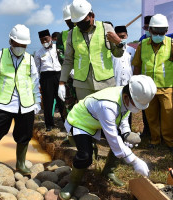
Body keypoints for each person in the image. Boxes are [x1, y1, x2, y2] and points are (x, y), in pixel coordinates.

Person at [58, 0, 125, 186]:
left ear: (91, 16)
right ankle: (88, 160)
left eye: (82, 21)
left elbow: (117, 54)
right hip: (82, 85)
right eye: (76, 22)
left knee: (113, 127)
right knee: (86, 125)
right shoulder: (72, 34)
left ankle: (109, 170)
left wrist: (118, 43)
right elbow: (68, 60)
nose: (79, 25)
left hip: (106, 84)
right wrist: (62, 82)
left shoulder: (106, 28)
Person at [58, 75, 157, 200]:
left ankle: (108, 171)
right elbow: (113, 139)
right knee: (85, 156)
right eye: (136, 105)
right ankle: (73, 183)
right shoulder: (108, 105)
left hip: (98, 121)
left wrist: (126, 132)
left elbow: (124, 115)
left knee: (123, 140)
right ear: (127, 97)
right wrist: (134, 161)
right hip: (81, 121)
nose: (137, 109)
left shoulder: (126, 94)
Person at [0, 24, 41, 175]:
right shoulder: (1, 55)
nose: (20, 47)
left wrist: (37, 101)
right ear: (11, 41)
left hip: (26, 104)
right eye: (17, 44)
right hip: (4, 104)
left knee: (24, 135)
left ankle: (21, 163)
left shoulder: (30, 59)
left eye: (23, 45)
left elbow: (35, 82)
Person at [133, 14, 173, 152]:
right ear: (149, 30)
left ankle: (169, 141)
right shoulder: (142, 45)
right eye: (155, 32)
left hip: (167, 86)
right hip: (147, 88)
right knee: (151, 116)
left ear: (166, 31)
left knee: (168, 115)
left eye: (161, 32)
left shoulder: (171, 45)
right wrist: (135, 84)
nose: (158, 35)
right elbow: (137, 65)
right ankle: (155, 140)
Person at [34, 29, 64, 132]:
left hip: (59, 75)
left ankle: (66, 122)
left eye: (46, 39)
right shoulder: (38, 53)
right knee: (48, 102)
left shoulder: (58, 48)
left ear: (50, 38)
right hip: (46, 78)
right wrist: (37, 83)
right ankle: (49, 124)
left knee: (62, 100)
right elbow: (37, 70)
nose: (44, 42)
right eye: (42, 40)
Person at [112, 25, 136, 126]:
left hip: (128, 83)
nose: (121, 39)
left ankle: (127, 130)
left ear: (127, 36)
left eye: (123, 36)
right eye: (118, 37)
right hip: (114, 84)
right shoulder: (111, 50)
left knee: (128, 107)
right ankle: (116, 130)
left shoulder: (132, 50)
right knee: (115, 108)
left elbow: (134, 66)